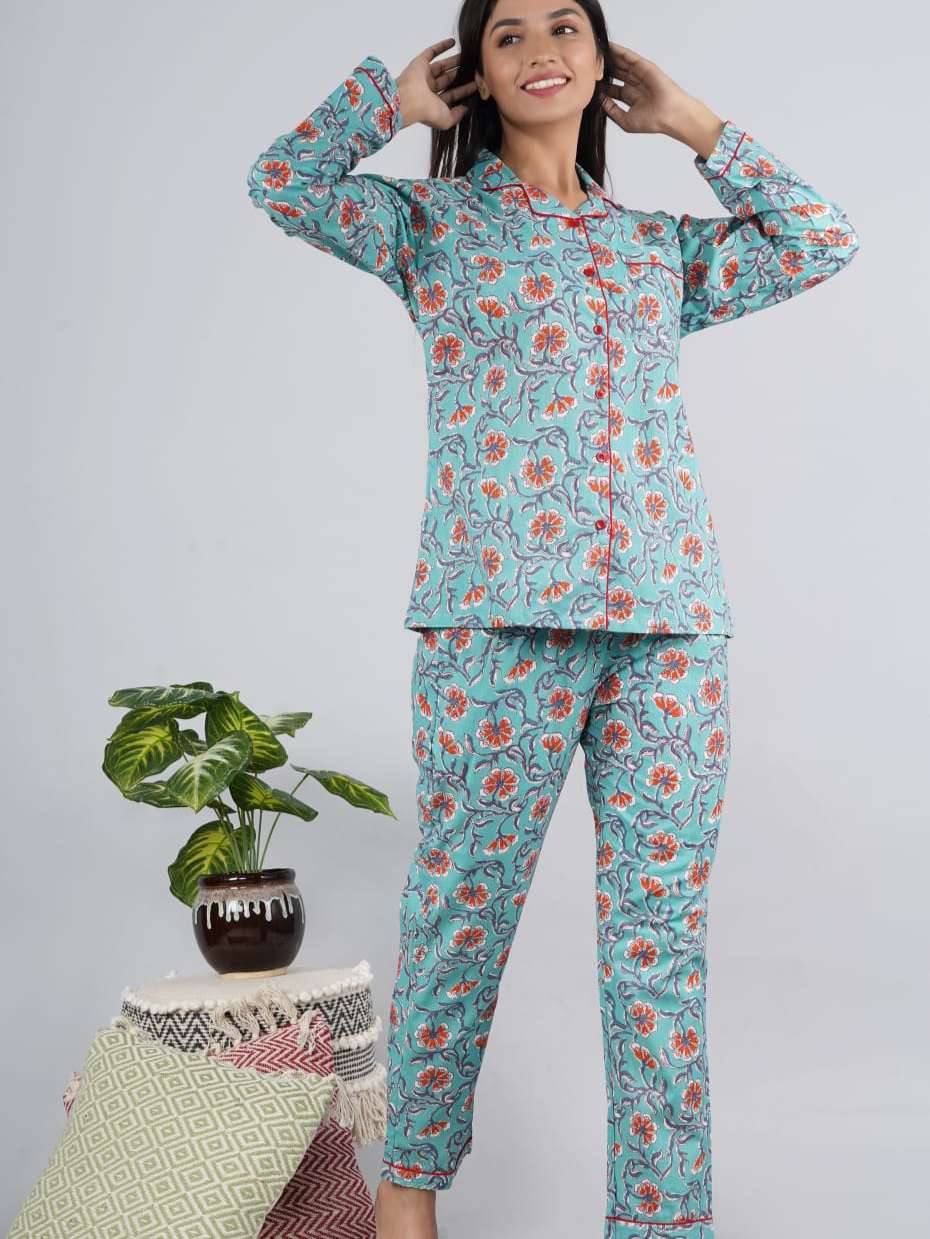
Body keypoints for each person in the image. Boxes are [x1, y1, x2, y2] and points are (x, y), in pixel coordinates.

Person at [246, 3, 859, 1236]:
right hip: (494, 616)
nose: (541, 52)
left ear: (603, 59)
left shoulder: (653, 248)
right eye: (510, 34)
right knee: (461, 911)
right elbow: (282, 183)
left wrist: (693, 123)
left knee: (658, 940)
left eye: (566, 27)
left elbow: (820, 239)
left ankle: (662, 1223)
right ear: (476, 70)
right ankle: (406, 1196)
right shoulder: (430, 227)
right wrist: (386, 105)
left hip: (670, 623)